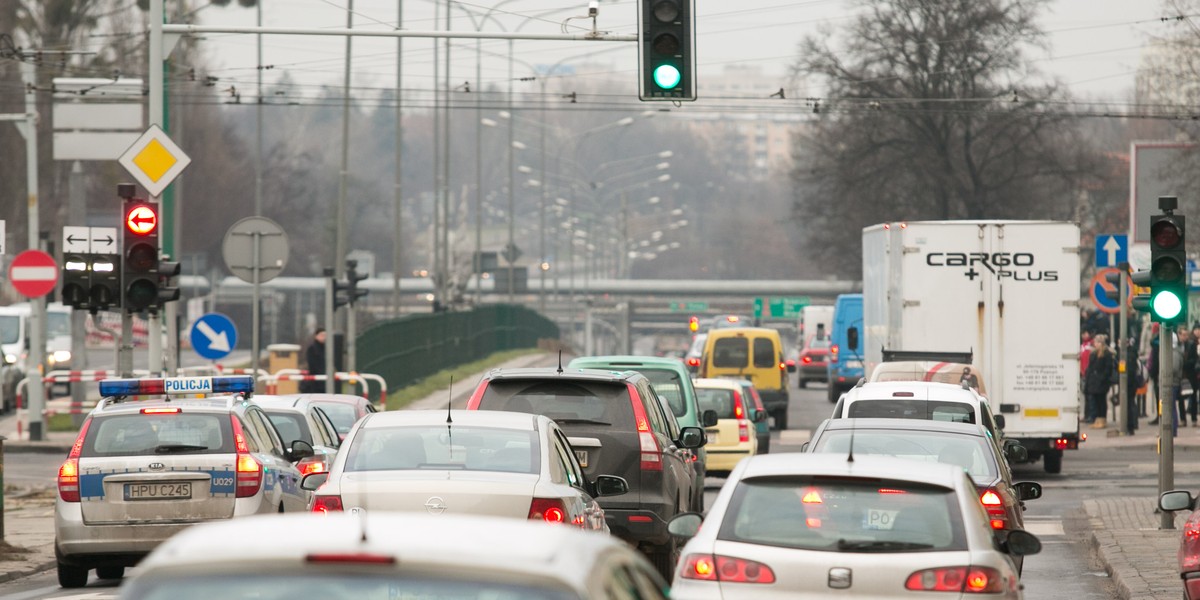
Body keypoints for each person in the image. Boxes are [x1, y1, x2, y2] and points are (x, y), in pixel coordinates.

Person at [1083, 334, 1115, 428]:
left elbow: (1108, 369)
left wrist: (1101, 378)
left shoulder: (1106, 354)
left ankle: (1102, 419)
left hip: (1101, 382)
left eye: (1096, 342)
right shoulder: (1093, 354)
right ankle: (1096, 419)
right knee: (1095, 401)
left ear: (1101, 343)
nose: (1095, 344)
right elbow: (1090, 368)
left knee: (1101, 401)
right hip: (1093, 381)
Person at [301, 328, 327, 394]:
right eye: (322, 335)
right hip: (315, 382)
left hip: (325, 381)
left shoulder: (327, 348)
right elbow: (312, 365)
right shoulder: (312, 349)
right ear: (316, 336)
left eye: (325, 335)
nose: (324, 337)